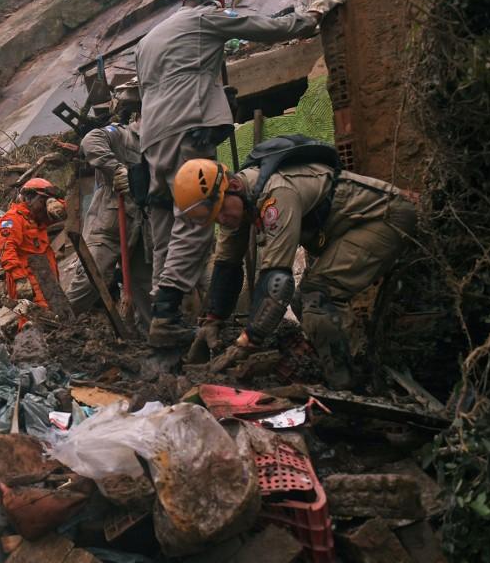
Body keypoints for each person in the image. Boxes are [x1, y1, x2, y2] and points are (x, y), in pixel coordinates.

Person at [135, 0, 345, 346]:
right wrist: (312, 14)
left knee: (164, 222)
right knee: (198, 217)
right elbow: (265, 28)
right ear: (214, 5)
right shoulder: (206, 18)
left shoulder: (148, 40)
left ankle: (161, 310)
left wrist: (214, 92)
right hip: (188, 131)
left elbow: (173, 81)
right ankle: (169, 314)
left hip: (152, 138)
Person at [173, 157, 416, 389]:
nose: (223, 220)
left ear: (233, 186)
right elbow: (226, 265)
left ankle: (349, 384)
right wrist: (212, 321)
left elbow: (277, 282)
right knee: (304, 302)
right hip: (347, 226)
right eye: (215, 219)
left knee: (317, 297)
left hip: (384, 216)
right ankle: (356, 360)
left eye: (222, 211)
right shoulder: (237, 201)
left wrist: (248, 341)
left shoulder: (276, 194)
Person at [65, 121, 153, 331]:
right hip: (108, 227)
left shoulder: (157, 145)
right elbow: (90, 141)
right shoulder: (122, 134)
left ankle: (152, 340)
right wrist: (117, 170)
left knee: (144, 288)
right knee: (88, 281)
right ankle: (59, 327)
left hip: (140, 231)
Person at [0, 178, 67, 308]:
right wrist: (20, 279)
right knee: (33, 320)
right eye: (43, 201)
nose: (45, 206)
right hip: (28, 282)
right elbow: (5, 250)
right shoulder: (13, 219)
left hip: (48, 280)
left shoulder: (38, 217)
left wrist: (55, 202)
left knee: (56, 318)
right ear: (30, 199)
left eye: (47, 202)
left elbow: (63, 211)